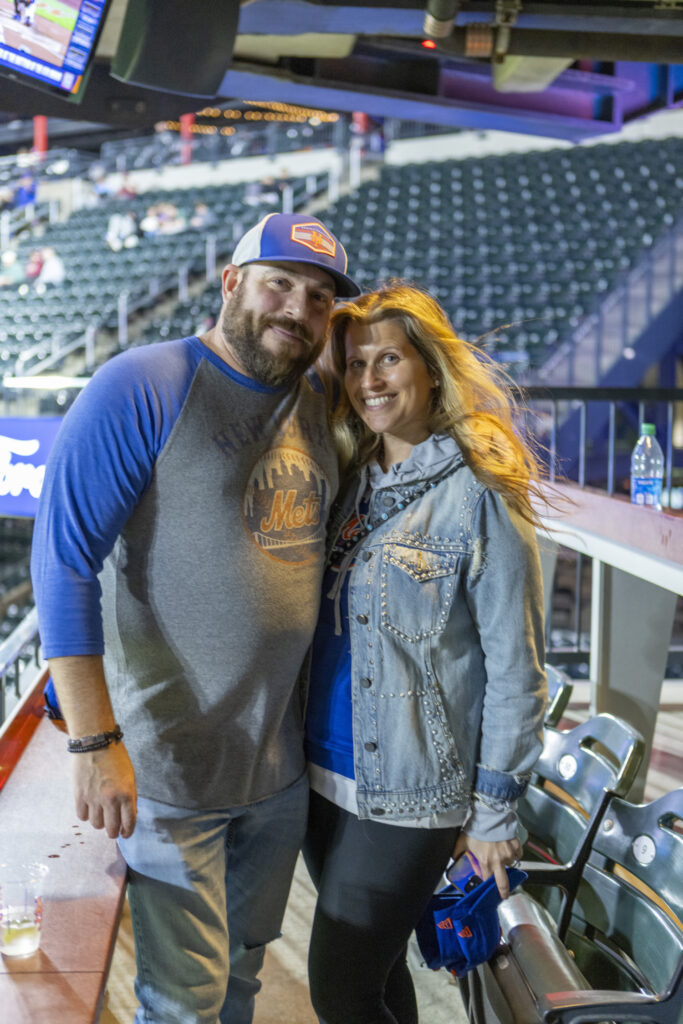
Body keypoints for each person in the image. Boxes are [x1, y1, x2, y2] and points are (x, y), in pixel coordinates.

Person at [30, 211, 360, 1024]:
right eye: (278, 283)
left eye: (318, 297)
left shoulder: (319, 400)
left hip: (274, 771)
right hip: (169, 769)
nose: (297, 308)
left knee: (240, 981)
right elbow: (63, 562)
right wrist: (94, 741)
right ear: (230, 283)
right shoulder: (143, 383)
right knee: (185, 1002)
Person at [303, 283, 548, 1024]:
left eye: (388, 359)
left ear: (430, 368)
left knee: (338, 990)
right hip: (321, 778)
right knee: (376, 983)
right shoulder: (349, 481)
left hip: (410, 790)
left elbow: (516, 667)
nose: (369, 379)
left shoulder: (479, 490)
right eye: (353, 363)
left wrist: (495, 810)